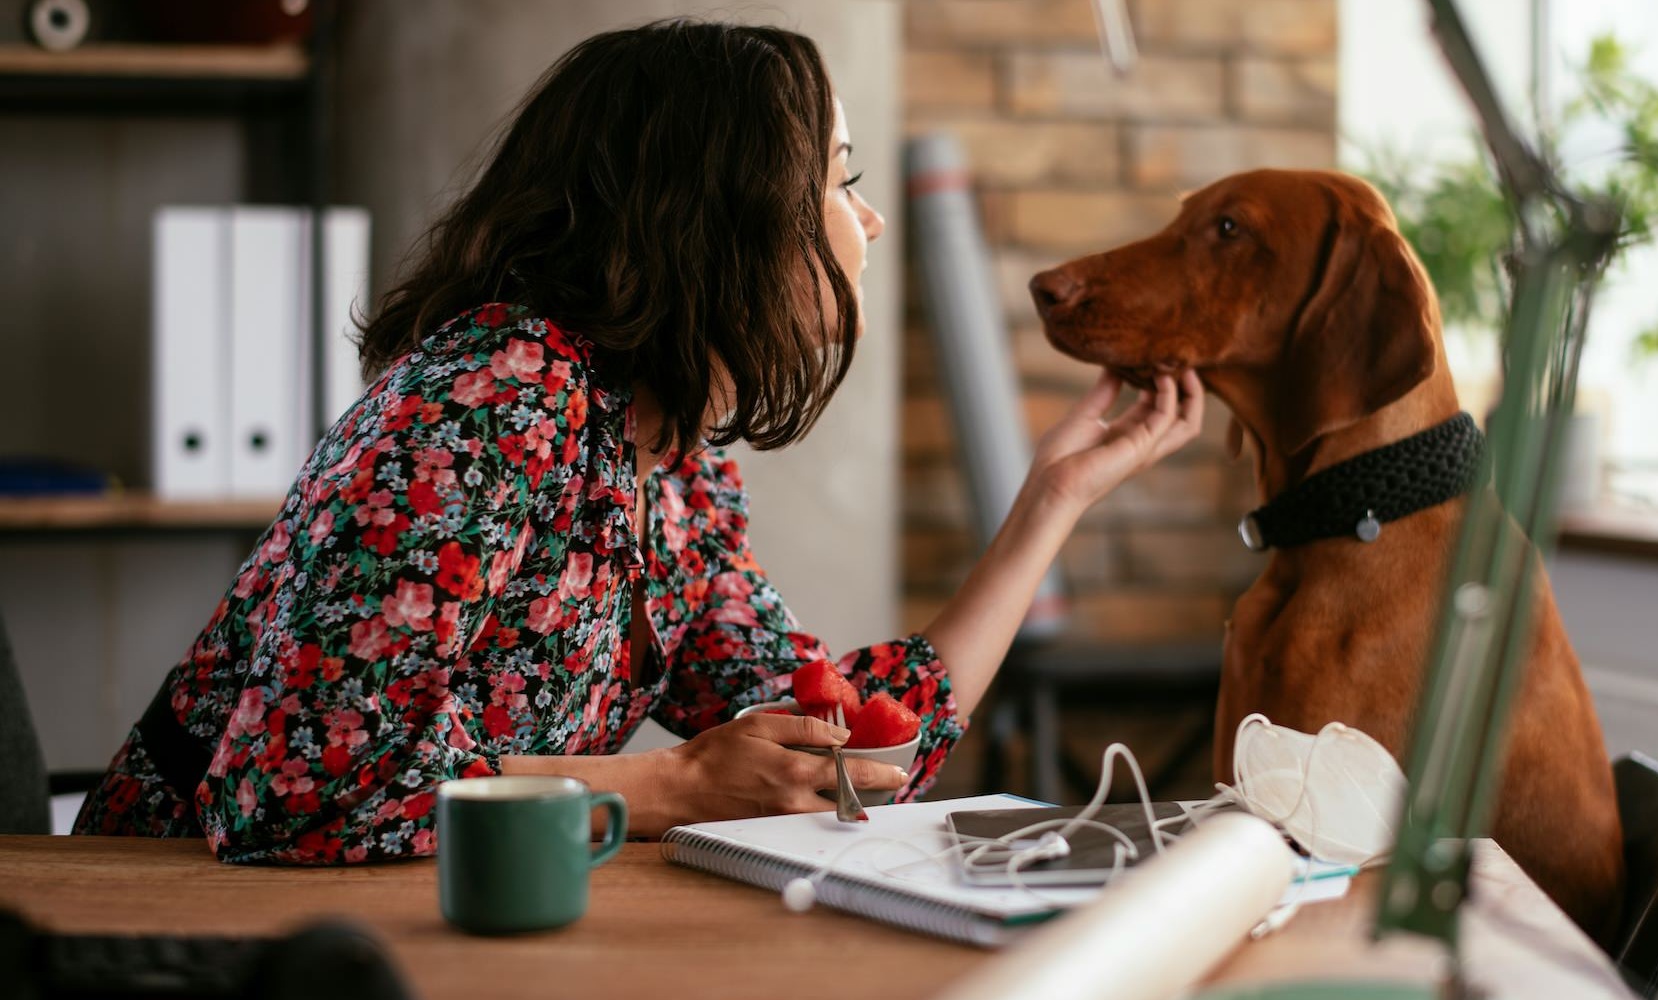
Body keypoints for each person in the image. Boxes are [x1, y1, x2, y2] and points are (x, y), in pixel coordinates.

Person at [75, 19, 1204, 863]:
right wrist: (668, 784)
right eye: (837, 180)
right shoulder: (495, 396)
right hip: (178, 928)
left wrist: (1052, 499)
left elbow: (840, 754)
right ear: (723, 215)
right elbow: (295, 796)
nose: (864, 222)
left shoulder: (675, 464)